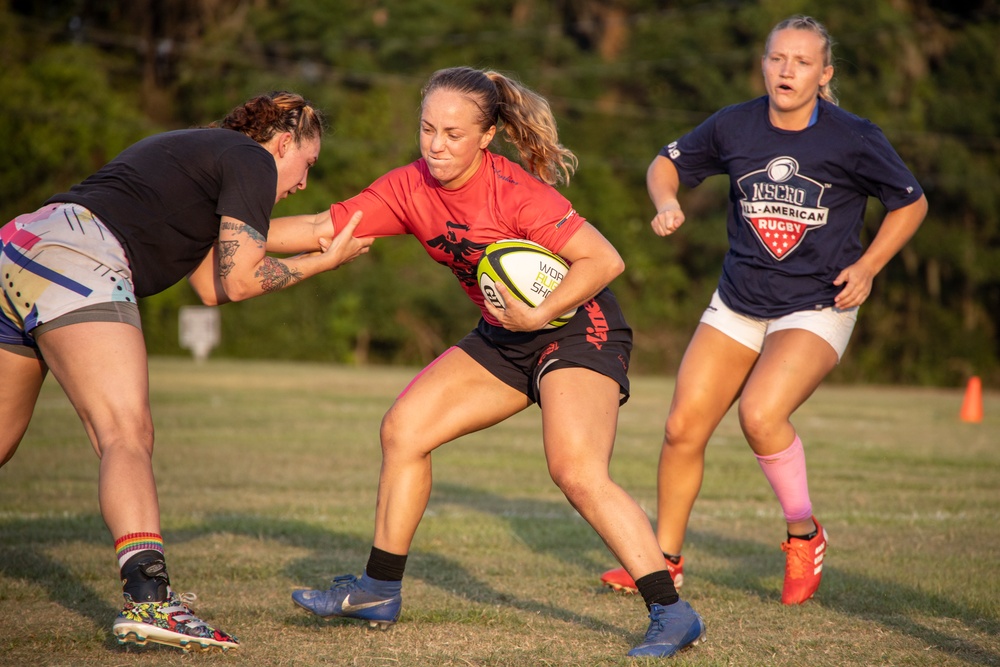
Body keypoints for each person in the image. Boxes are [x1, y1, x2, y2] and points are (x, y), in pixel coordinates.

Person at [286, 66, 705, 658]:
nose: (436, 145)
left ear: (486, 137)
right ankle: (378, 589)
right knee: (405, 430)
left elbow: (603, 260)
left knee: (576, 469)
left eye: (453, 134)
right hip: (505, 334)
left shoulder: (516, 192)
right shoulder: (411, 187)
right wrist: (227, 230)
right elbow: (321, 227)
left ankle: (672, 611)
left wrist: (537, 317)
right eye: (427, 129)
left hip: (578, 325)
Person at [0, 91, 373, 652]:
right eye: (307, 165)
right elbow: (245, 278)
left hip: (20, 246)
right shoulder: (250, 160)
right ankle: (149, 599)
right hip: (78, 260)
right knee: (125, 433)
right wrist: (323, 262)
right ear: (284, 141)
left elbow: (212, 285)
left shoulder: (200, 158)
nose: (300, 182)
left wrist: (337, 233)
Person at [599, 15, 928, 605]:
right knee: (681, 428)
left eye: (802, 62)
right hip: (739, 300)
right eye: (778, 58)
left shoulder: (852, 136)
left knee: (760, 414)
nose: (787, 70)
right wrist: (667, 199)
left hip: (817, 303)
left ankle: (803, 532)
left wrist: (870, 265)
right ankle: (663, 563)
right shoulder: (736, 123)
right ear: (763, 63)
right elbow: (664, 162)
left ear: (824, 74)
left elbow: (910, 203)